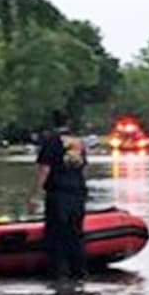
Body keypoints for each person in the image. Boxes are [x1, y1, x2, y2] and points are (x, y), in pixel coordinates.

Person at [33, 116, 88, 279]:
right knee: (76, 234)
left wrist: (35, 195)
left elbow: (45, 169)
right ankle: (79, 273)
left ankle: (58, 275)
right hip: (78, 193)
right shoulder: (78, 144)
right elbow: (83, 169)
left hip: (58, 193)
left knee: (57, 234)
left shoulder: (51, 141)